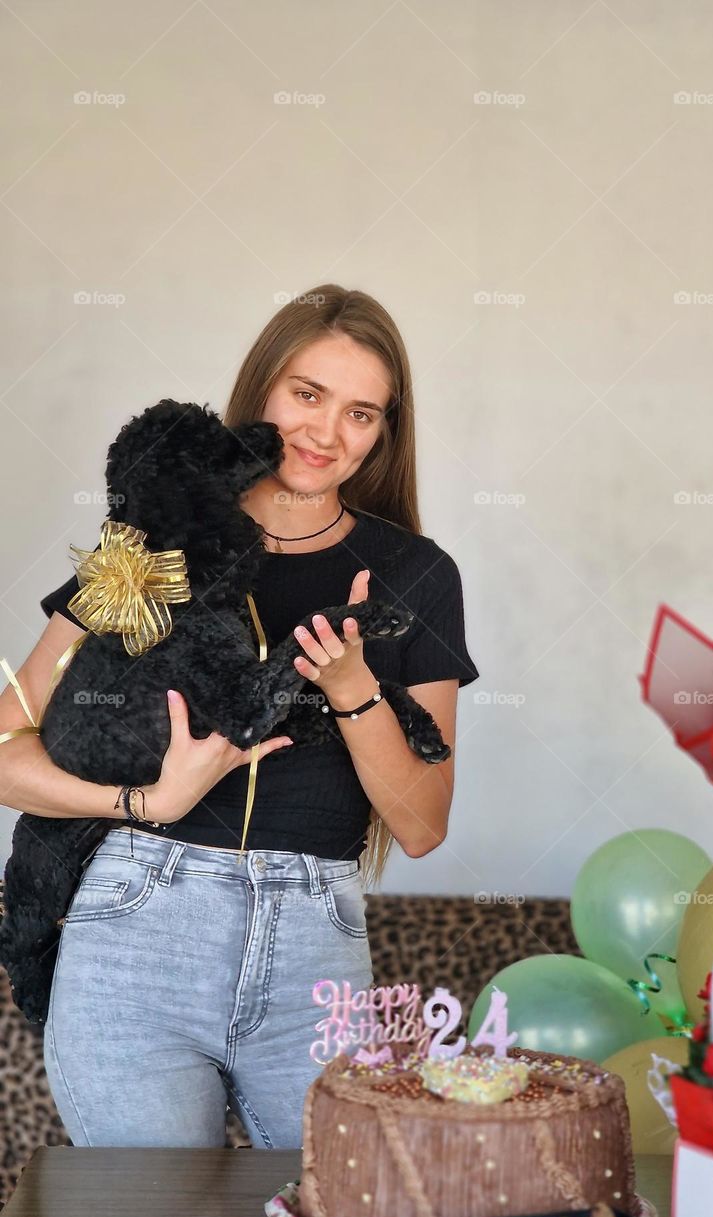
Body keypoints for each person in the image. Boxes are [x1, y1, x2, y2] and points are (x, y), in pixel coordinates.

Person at [0, 285, 479, 1149]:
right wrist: (148, 803)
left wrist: (352, 685)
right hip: (137, 928)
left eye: (361, 413)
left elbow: (421, 824)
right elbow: (5, 747)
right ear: (262, 392)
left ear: (383, 433)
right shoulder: (151, 545)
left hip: (315, 945)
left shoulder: (416, 574)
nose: (327, 433)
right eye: (308, 395)